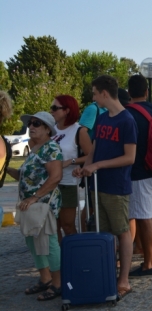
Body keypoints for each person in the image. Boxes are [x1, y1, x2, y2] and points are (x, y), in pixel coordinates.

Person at [72, 75, 137, 299]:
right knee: (103, 232)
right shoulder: (102, 118)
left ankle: (124, 280)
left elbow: (130, 157)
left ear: (104, 94)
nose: (92, 97)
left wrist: (98, 164)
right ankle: (108, 273)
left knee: (122, 231)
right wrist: (86, 167)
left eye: (94, 93)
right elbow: (96, 147)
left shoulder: (127, 120)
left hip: (116, 185)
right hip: (97, 184)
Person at [5, 111, 62, 301]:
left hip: (43, 204)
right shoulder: (35, 148)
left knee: (49, 243)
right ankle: (45, 278)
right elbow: (23, 175)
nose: (31, 127)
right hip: (29, 205)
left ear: (47, 129)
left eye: (36, 124)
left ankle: (58, 283)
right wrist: (5, 168)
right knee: (32, 241)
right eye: (30, 123)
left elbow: (56, 177)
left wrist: (35, 197)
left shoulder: (51, 148)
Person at [124, 75, 152, 276]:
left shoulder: (128, 114)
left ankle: (148, 263)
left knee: (144, 218)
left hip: (140, 171)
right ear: (146, 91)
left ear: (128, 92)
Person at [49, 95, 87, 238]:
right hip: (50, 183)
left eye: (54, 108)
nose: (51, 111)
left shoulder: (79, 131)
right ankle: (58, 259)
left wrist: (71, 161)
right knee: (53, 226)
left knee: (67, 225)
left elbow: (90, 155)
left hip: (68, 183)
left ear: (66, 110)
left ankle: (74, 257)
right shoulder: (50, 129)